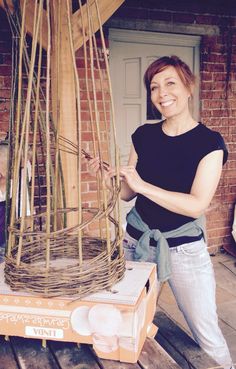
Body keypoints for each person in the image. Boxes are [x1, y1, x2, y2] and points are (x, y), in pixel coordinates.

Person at [89, 55, 234, 369]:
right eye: (154, 87)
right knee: (126, 323)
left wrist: (142, 185)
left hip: (183, 248)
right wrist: (108, 178)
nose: (162, 93)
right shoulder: (144, 135)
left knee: (206, 333)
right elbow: (128, 193)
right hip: (135, 243)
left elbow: (196, 204)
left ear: (188, 87)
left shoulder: (209, 143)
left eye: (170, 83)